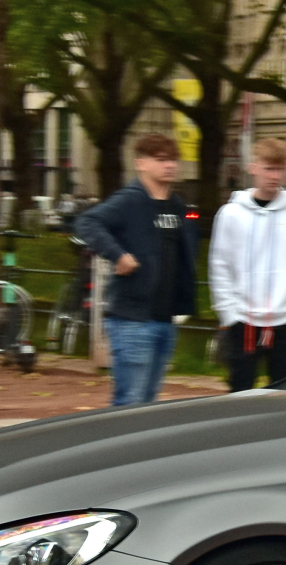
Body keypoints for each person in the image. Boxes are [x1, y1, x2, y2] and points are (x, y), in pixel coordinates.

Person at [73, 133, 200, 408]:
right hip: (132, 319)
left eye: (173, 160)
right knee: (130, 403)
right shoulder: (129, 200)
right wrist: (118, 255)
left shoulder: (178, 206)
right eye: (161, 159)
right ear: (141, 163)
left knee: (148, 403)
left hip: (165, 319)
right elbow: (88, 223)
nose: (170, 165)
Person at [209, 137, 286, 392]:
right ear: (253, 167)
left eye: (279, 169)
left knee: (282, 396)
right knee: (240, 394)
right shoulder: (231, 214)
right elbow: (220, 265)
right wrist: (228, 313)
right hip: (243, 322)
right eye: (268, 168)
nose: (274, 176)